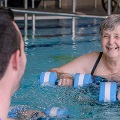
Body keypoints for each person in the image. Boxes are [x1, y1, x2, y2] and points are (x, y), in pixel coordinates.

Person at [50, 14, 120, 98]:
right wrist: (64, 76)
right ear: (100, 39)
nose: (111, 42)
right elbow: (52, 71)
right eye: (106, 36)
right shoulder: (93, 60)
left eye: (117, 36)